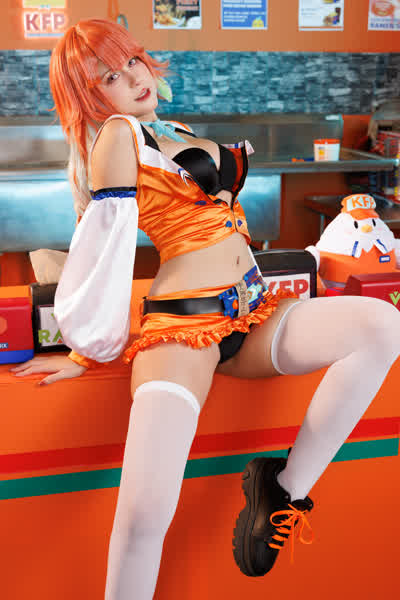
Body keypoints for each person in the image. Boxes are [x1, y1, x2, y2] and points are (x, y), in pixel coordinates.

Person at [10, 17, 400, 598]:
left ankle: (282, 490)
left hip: (252, 310)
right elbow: (106, 248)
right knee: (144, 516)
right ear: (91, 100)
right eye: (109, 78)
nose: (132, 78)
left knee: (382, 326)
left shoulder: (168, 127)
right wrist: (85, 350)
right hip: (183, 329)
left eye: (131, 61)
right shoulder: (118, 134)